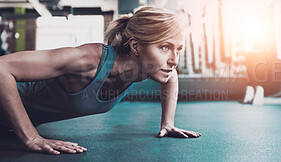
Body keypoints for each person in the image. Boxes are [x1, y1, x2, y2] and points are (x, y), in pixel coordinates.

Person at [0, 6, 201, 155]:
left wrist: (168, 122)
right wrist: (31, 137)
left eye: (178, 49)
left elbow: (171, 76)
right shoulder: (88, 60)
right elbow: (2, 68)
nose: (174, 60)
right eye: (165, 47)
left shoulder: (149, 68)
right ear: (136, 46)